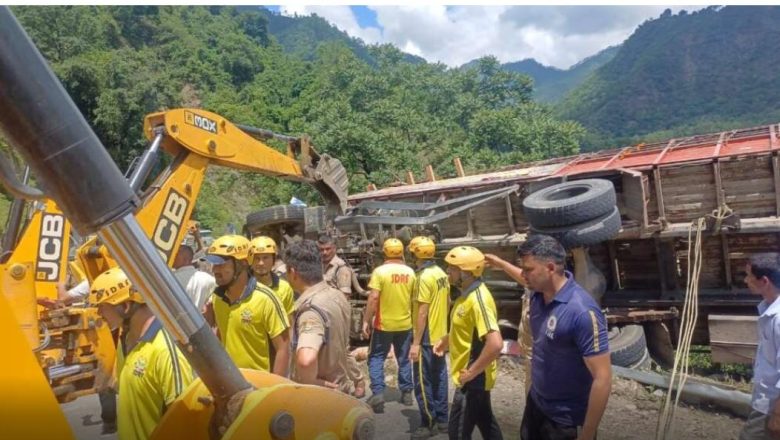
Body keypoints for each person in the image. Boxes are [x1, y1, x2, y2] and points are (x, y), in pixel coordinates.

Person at [517, 234, 611, 440]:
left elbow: (603, 378)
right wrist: (498, 263)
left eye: (528, 269)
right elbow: (521, 276)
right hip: (536, 405)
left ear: (550, 268)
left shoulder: (582, 312)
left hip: (565, 421)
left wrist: (587, 433)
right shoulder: (537, 294)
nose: (523, 275)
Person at [89, 268, 193, 440]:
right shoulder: (125, 340)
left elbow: (184, 421)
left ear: (125, 306)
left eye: (102, 307)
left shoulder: (165, 351)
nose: (99, 313)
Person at [433, 246, 503, 440]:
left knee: (457, 433)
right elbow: (467, 329)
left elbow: (495, 344)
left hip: (472, 379)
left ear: (467, 272)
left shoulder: (479, 300)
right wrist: (447, 340)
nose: (448, 271)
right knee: (486, 423)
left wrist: (471, 373)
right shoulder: (465, 295)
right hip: (471, 376)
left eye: (453, 268)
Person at [203, 235, 290, 376]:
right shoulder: (218, 298)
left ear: (243, 263)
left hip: (260, 383)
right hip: (230, 381)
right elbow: (223, 335)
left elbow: (283, 347)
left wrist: (275, 386)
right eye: (214, 264)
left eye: (221, 264)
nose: (215, 270)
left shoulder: (266, 299)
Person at [284, 240, 354, 394]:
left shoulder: (310, 310)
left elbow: (306, 360)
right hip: (342, 389)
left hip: (320, 397)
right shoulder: (337, 296)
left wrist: (312, 382)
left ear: (293, 272)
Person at [362, 238, 416, 413]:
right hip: (405, 324)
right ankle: (407, 393)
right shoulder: (410, 272)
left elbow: (374, 297)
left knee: (376, 357)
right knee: (404, 358)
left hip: (383, 325)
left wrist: (366, 320)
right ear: (402, 252)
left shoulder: (380, 272)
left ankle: (378, 393)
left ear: (384, 252)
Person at [408, 236, 451, 439]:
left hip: (426, 336)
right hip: (440, 334)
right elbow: (448, 302)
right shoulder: (441, 273)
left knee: (422, 381)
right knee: (439, 377)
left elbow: (422, 312)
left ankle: (428, 422)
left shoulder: (423, 277)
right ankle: (443, 420)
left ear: (415, 254)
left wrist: (415, 343)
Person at [317, 233, 367, 398]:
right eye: (321, 249)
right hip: (321, 313)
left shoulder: (341, 268)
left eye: (328, 249)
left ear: (335, 248)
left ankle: (359, 380)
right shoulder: (319, 266)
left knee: (342, 351)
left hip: (337, 314)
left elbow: (343, 296)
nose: (324, 253)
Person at [740, 253, 780, 440]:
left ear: (764, 281)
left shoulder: (778, 320)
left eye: (749, 276)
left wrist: (777, 415)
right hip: (766, 402)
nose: (746, 280)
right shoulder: (768, 310)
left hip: (771, 405)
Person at [484, 252, 533, 392]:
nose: (524, 273)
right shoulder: (534, 282)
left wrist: (501, 264)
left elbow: (496, 344)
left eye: (528, 269)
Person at [249, 236, 295, 323]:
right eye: (256, 258)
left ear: (274, 259)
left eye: (265, 258)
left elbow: (290, 321)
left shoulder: (284, 288)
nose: (261, 263)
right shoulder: (242, 287)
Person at [172, 244, 216, 312]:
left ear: (186, 259)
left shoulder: (171, 279)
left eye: (176, 254)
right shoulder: (209, 279)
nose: (173, 257)